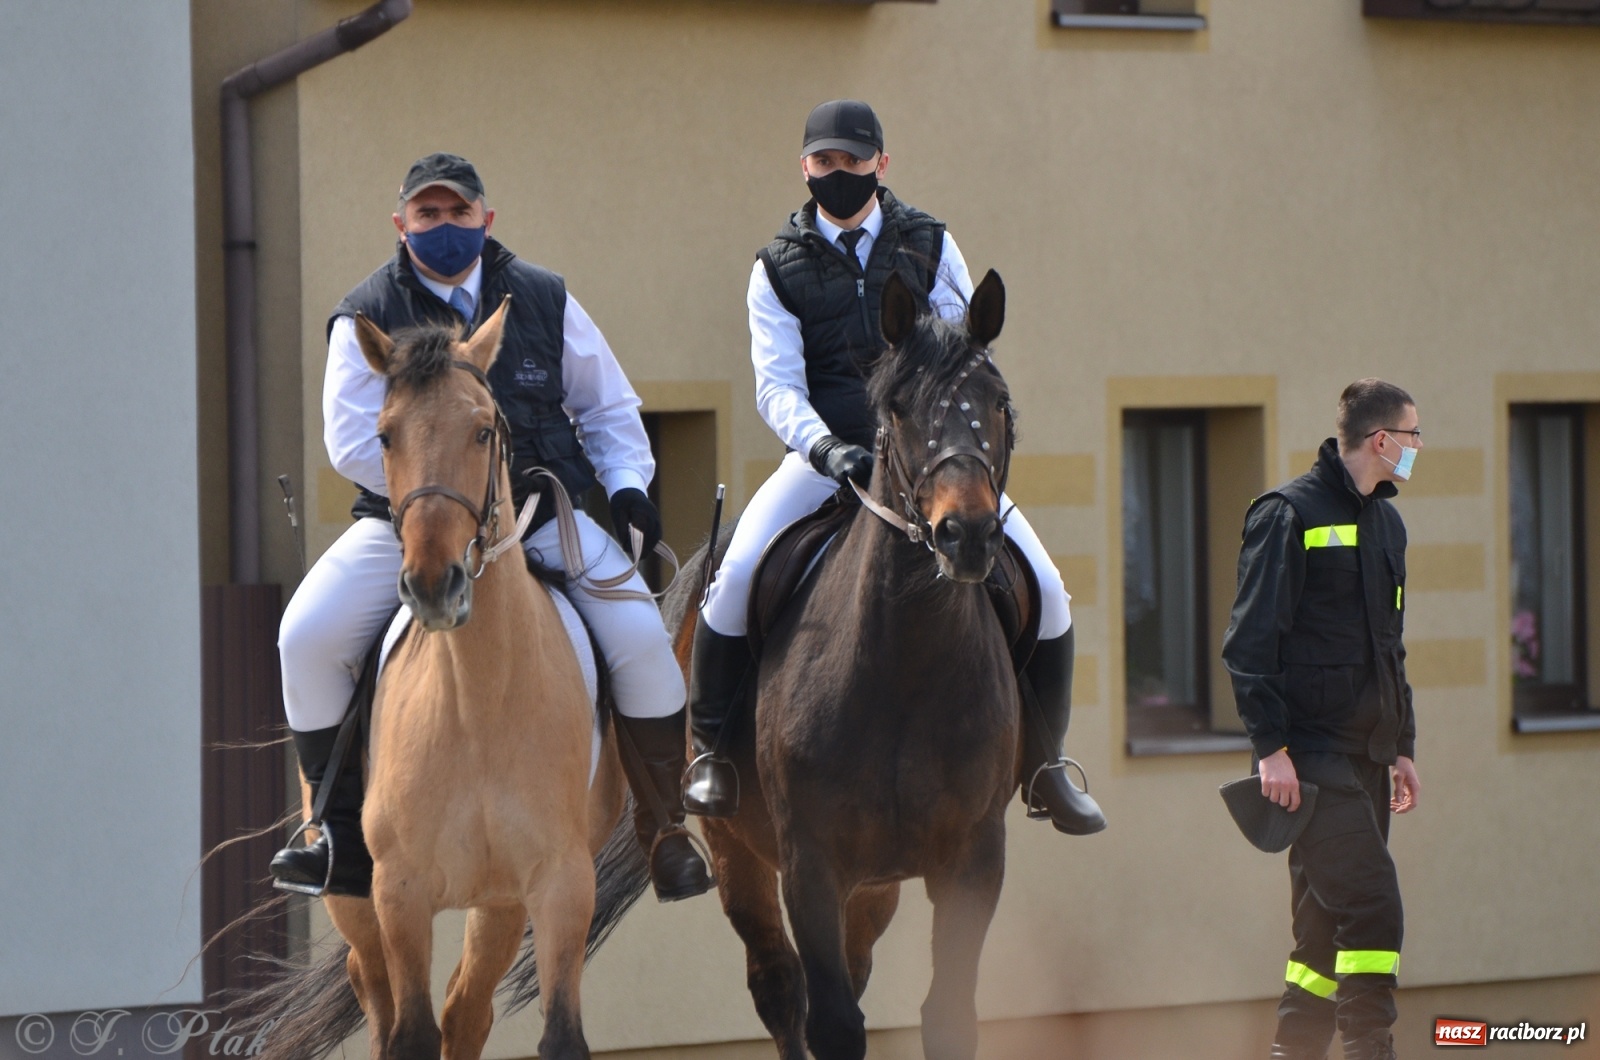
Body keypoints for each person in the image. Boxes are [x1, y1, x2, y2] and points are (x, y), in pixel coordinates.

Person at [269, 153, 711, 903]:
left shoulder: (542, 297)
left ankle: (666, 830)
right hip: (408, 524)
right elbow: (349, 439)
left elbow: (606, 406)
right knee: (304, 637)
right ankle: (331, 834)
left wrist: (630, 485)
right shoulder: (365, 312)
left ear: (486, 219)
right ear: (401, 223)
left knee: (642, 643)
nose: (444, 227)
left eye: (459, 213)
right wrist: (442, 500)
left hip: (541, 515)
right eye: (428, 215)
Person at [681, 100, 1106, 837]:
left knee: (1051, 591)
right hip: (828, 457)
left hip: (928, 458)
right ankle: (714, 754)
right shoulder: (775, 268)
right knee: (736, 576)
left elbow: (964, 349)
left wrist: (933, 436)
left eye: (852, 161)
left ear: (882, 163)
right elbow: (777, 384)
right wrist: (824, 448)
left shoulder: (931, 243)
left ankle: (1046, 764)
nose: (837, 174)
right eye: (824, 163)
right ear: (805, 167)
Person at [1222, 378, 1425, 1060]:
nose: (1418, 447)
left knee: (1318, 934)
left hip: (1367, 757)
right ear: (1381, 440)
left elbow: (1389, 649)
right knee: (1373, 906)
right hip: (1309, 757)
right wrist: (1269, 748)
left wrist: (1401, 746)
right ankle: (1373, 1047)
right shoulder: (1288, 514)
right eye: (1413, 435)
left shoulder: (1388, 525)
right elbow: (1250, 643)